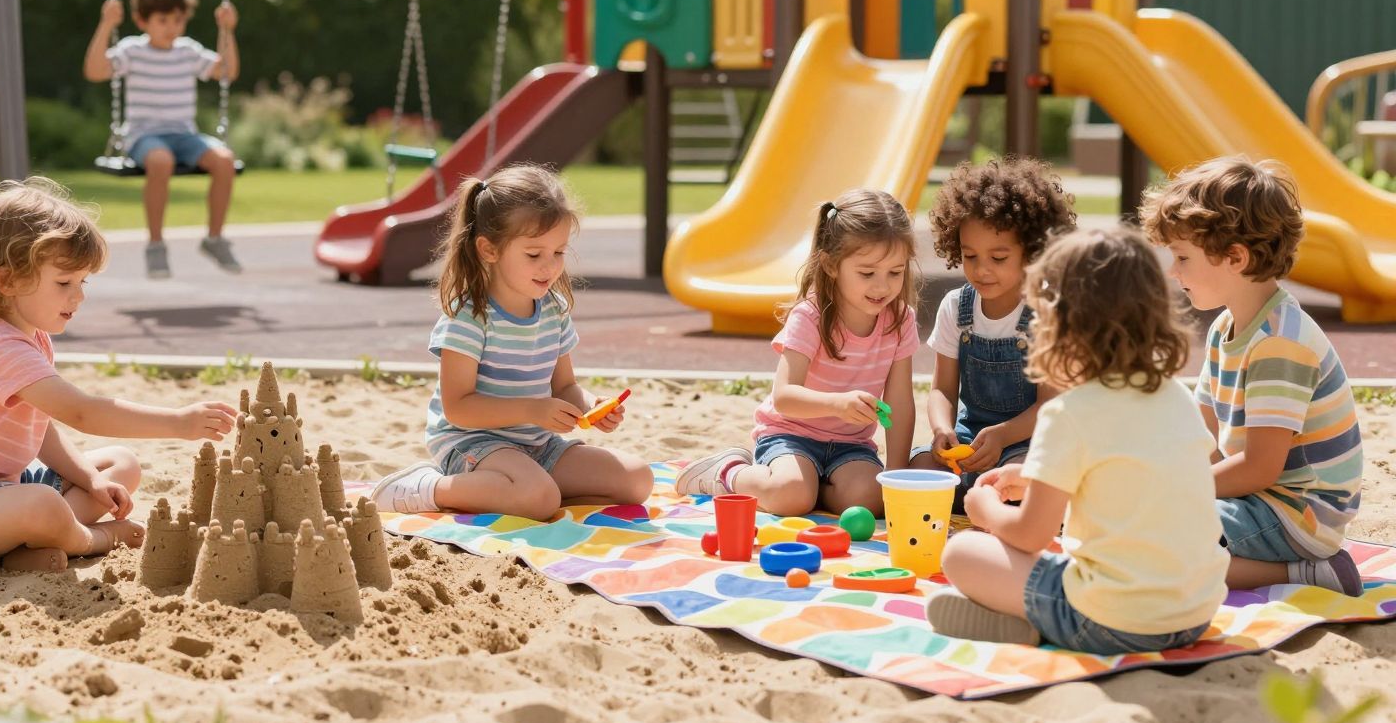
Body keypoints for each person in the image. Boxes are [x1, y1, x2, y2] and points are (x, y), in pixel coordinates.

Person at [0, 178, 234, 572]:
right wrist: (177, 422)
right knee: (42, 505)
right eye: (64, 282)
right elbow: (83, 413)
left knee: (118, 466)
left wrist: (90, 479)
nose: (79, 295)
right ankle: (90, 539)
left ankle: (32, 547)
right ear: (7, 280)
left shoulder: (30, 336)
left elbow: (38, 429)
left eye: (82, 281)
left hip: (4, 489)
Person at [926, 227, 1228, 652]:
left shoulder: (1069, 413)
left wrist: (986, 510)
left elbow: (1030, 535)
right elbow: (1135, 478)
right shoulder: (1175, 397)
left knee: (962, 553)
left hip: (1111, 619)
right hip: (1196, 612)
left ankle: (1043, 622)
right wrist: (1035, 477)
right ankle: (1029, 624)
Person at [370, 164, 653, 520]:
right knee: (539, 499)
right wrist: (533, 410)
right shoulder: (469, 318)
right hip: (473, 443)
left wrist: (590, 406)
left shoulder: (554, 309)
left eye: (559, 252)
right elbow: (458, 407)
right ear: (489, 250)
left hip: (536, 444)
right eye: (534, 255)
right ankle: (429, 487)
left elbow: (564, 387)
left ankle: (523, 489)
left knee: (637, 480)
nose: (549, 266)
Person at [1143, 157, 1363, 596]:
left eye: (1182, 257)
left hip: (1297, 515)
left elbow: (1261, 468)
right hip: (1260, 499)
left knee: (1154, 548)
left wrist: (1176, 491)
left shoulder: (1280, 342)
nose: (1173, 271)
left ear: (1235, 257)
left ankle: (1306, 572)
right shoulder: (1227, 327)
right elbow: (1202, 434)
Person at [674, 188, 919, 516]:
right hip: (791, 436)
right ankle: (727, 471)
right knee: (790, 496)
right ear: (832, 265)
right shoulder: (811, 316)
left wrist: (897, 476)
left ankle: (814, 489)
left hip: (852, 448)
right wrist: (837, 404)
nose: (882, 286)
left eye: (895, 272)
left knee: (872, 500)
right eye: (867, 273)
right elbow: (784, 397)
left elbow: (901, 403)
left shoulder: (901, 320)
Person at [909, 159, 1077, 504]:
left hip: (1028, 441)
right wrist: (943, 430)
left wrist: (1002, 437)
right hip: (970, 436)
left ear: (1032, 252)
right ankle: (976, 495)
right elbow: (942, 389)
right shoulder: (956, 306)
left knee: (1020, 482)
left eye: (998, 258)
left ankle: (984, 498)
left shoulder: (1048, 312)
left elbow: (1050, 406)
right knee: (919, 468)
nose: (981, 270)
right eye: (970, 256)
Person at [83, 0, 242, 279]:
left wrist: (228, 31)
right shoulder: (132, 51)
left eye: (178, 20)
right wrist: (106, 25)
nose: (172, 28)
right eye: (163, 20)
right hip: (145, 136)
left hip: (184, 135)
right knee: (161, 161)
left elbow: (227, 71)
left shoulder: (188, 51)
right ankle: (156, 245)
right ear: (142, 21)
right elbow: (95, 71)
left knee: (224, 161)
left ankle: (215, 238)